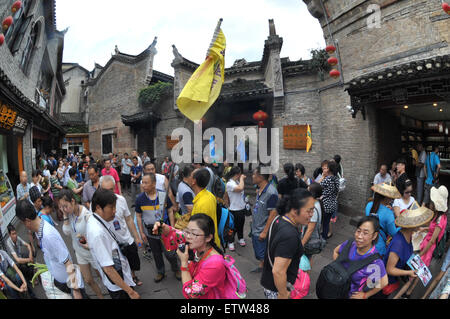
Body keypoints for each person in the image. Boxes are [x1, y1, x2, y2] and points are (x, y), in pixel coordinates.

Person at [15, 199, 85, 299]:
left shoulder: (48, 236)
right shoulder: (39, 230)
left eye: (22, 223)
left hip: (70, 284)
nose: (24, 225)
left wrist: (76, 290)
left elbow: (68, 262)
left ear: (27, 221)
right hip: (63, 283)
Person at [153, 214, 233, 299]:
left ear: (208, 237)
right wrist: (165, 229)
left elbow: (191, 293)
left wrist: (184, 264)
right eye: (187, 231)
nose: (188, 236)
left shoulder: (215, 265)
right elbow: (177, 234)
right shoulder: (199, 245)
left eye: (194, 233)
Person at [261, 188, 315, 299]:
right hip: (276, 289)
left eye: (313, 210)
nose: (311, 215)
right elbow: (278, 271)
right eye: (309, 211)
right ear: (295, 211)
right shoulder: (290, 236)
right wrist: (283, 293)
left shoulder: (279, 218)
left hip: (268, 280)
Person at [86, 188, 140, 299]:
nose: (115, 210)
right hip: (119, 287)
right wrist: (131, 292)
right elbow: (109, 270)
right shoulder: (97, 233)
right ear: (98, 208)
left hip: (121, 277)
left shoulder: (97, 220)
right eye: (111, 207)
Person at [374, 204, 433, 299]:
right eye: (418, 222)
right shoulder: (399, 243)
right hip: (383, 283)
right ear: (412, 225)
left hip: (390, 281)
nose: (420, 224)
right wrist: (408, 273)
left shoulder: (408, 236)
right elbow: (390, 269)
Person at [59, 189, 104, 299]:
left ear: (73, 201)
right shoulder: (69, 215)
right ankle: (100, 296)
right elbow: (66, 231)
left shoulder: (86, 214)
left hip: (92, 252)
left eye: (65, 206)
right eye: (61, 207)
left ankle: (113, 292)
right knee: (88, 280)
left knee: (103, 277)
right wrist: (65, 215)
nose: (64, 209)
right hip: (80, 253)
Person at [135, 173, 180, 283]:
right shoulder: (140, 199)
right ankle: (161, 272)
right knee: (156, 253)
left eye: (146, 183)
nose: (143, 185)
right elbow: (138, 216)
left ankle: (176, 269)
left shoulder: (163, 195)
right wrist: (141, 232)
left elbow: (170, 210)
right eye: (142, 182)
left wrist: (172, 227)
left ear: (154, 184)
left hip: (164, 230)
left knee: (170, 252)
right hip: (150, 232)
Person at [100, 175, 143, 287]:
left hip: (126, 239)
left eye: (111, 189)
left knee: (133, 261)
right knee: (118, 267)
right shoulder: (96, 205)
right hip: (112, 245)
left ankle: (133, 276)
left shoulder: (121, 200)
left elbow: (128, 219)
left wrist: (137, 237)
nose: (109, 193)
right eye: (105, 190)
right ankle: (124, 284)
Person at [332, 216, 388, 299]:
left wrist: (365, 295)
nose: (359, 236)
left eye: (365, 233)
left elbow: (384, 282)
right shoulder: (350, 244)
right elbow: (336, 251)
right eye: (358, 231)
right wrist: (338, 270)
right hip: (336, 287)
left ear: (374, 236)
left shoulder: (374, 262)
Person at [251, 165, 279, 273]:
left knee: (262, 251)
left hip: (262, 229)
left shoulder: (271, 193)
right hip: (256, 226)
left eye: (254, 174)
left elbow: (273, 214)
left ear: (261, 177)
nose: (252, 176)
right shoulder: (259, 188)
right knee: (259, 250)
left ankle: (269, 270)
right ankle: (262, 266)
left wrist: (265, 231)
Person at [365, 183, 401, 257]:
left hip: (366, 242)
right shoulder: (389, 214)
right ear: (386, 198)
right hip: (378, 248)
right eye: (390, 197)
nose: (391, 200)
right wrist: (402, 226)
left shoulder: (369, 205)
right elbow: (393, 233)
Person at [190, 168, 221, 248]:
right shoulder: (209, 195)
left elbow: (201, 232)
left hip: (205, 247)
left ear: (194, 181)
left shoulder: (202, 204)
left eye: (191, 176)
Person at [225, 166, 247, 251]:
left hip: (241, 208)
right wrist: (242, 179)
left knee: (241, 225)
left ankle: (240, 238)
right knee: (232, 227)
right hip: (234, 209)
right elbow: (240, 188)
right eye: (240, 174)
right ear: (237, 174)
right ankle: (231, 242)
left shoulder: (237, 181)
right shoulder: (230, 183)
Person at [302, 183, 325, 260]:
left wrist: (302, 244)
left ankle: (306, 272)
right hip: (311, 239)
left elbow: (310, 229)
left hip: (310, 240)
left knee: (306, 259)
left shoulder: (313, 208)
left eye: (308, 190)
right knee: (309, 258)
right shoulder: (316, 203)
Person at [318, 160, 340, 239]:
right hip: (333, 204)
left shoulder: (327, 179)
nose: (325, 169)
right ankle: (324, 237)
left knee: (321, 222)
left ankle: (322, 238)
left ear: (329, 169)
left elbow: (316, 186)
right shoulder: (336, 179)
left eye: (326, 168)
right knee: (326, 223)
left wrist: (323, 176)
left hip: (325, 205)